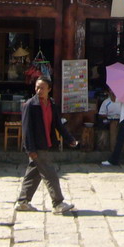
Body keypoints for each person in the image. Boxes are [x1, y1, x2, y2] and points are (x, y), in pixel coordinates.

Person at [15, 77, 79, 214]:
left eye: (42, 88)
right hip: (36, 146)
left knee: (34, 174)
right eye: (37, 87)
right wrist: (30, 149)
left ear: (49, 89)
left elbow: (57, 125)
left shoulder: (51, 105)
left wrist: (69, 139)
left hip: (46, 143)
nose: (39, 91)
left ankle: (23, 202)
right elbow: (26, 130)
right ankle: (58, 203)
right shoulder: (30, 106)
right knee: (50, 174)